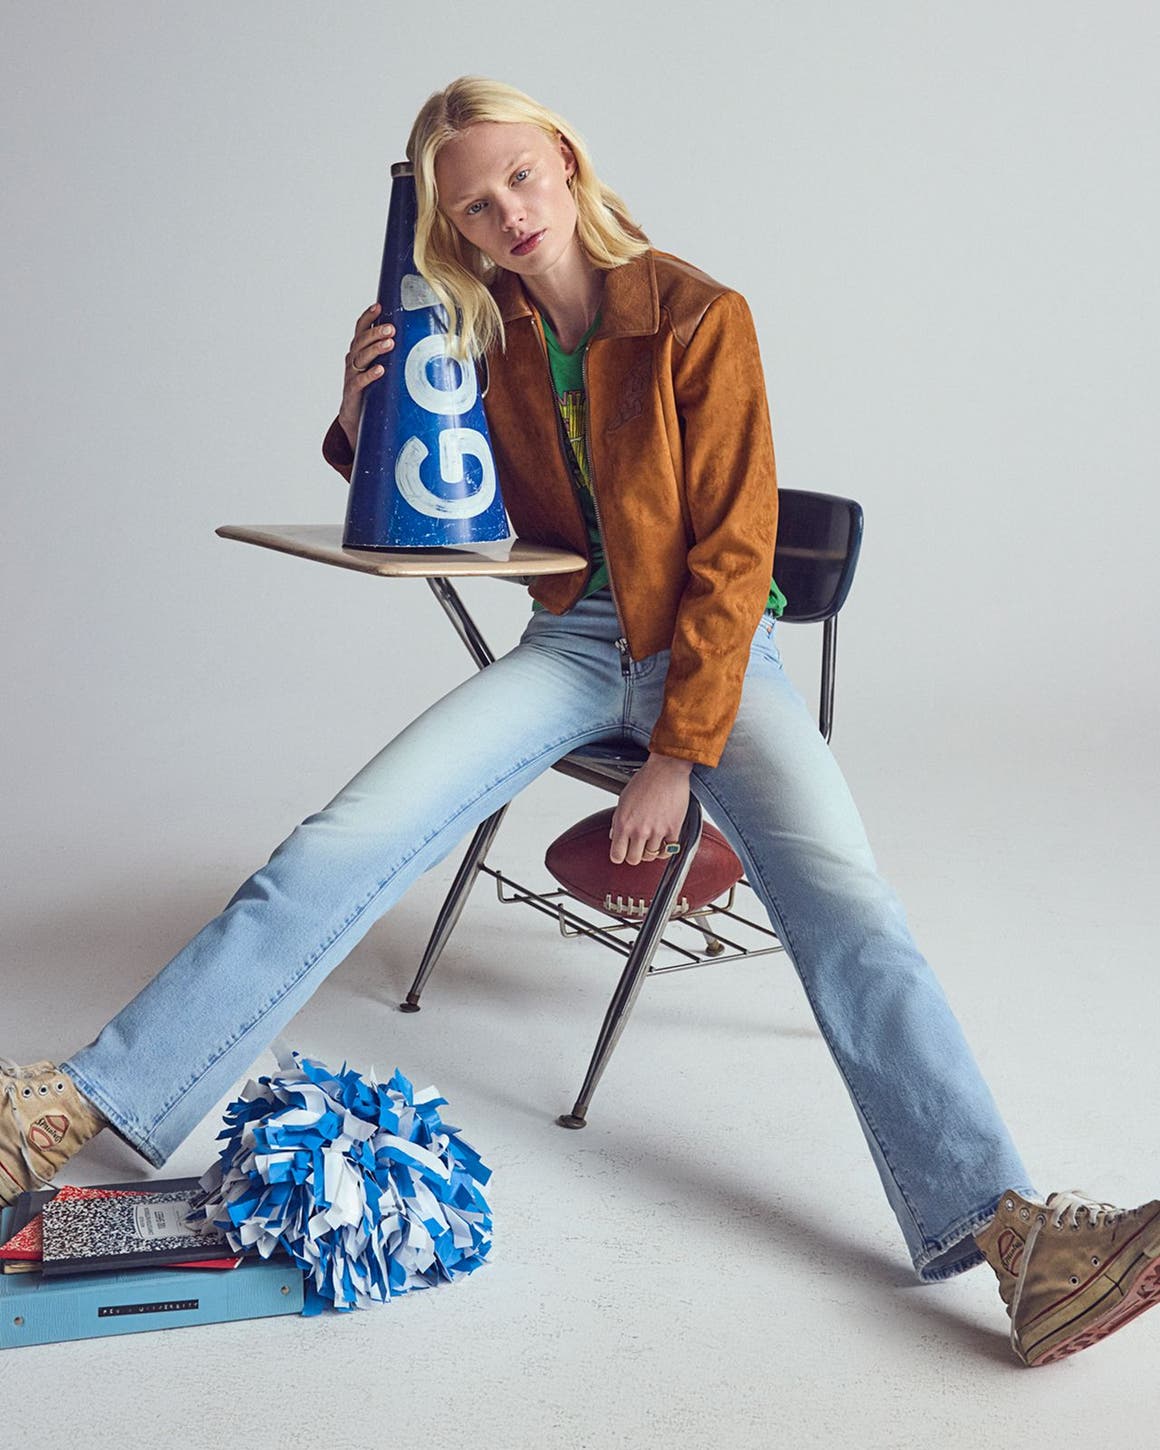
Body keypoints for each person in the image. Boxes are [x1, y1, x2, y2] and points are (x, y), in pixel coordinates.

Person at [2, 75, 1157, 1368]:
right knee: (341, 835)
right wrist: (357, 406)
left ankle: (1014, 1239)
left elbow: (735, 552)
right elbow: (441, 509)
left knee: (851, 901)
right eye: (475, 206)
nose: (507, 215)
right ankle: (71, 1100)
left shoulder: (698, 315)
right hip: (569, 645)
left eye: (519, 180)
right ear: (453, 225)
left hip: (713, 654)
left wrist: (677, 753)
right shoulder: (476, 335)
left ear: (565, 158)